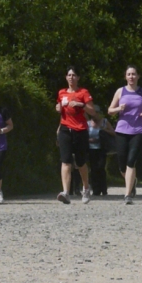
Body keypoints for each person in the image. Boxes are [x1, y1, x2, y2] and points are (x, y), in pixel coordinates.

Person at [107, 66, 142, 205]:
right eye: (129, 74)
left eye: (134, 74)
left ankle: (127, 195)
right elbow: (110, 110)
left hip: (138, 131)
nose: (131, 77)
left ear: (138, 76)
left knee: (131, 161)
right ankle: (132, 181)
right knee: (122, 165)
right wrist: (118, 109)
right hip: (122, 130)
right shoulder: (120, 91)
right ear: (125, 77)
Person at [55, 67, 96, 204]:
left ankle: (85, 188)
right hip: (65, 129)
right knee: (65, 160)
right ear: (66, 77)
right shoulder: (61, 93)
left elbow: (92, 111)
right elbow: (60, 109)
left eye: (74, 75)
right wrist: (58, 107)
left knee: (80, 162)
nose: (71, 77)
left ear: (78, 78)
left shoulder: (83, 92)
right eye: (69, 75)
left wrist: (80, 104)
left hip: (80, 129)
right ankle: (66, 192)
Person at [87, 104, 115, 196]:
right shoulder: (87, 123)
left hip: (102, 148)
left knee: (101, 168)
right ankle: (95, 190)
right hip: (91, 149)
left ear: (99, 113)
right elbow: (83, 136)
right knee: (93, 169)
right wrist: (90, 140)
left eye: (96, 113)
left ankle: (103, 189)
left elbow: (113, 133)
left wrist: (104, 130)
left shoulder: (105, 122)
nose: (94, 115)